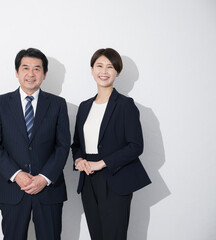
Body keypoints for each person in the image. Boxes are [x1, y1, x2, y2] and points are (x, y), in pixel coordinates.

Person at [0, 48, 70, 240]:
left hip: (49, 189)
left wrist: (44, 177)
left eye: (37, 69)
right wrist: (16, 175)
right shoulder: (0, 103)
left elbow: (62, 145)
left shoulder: (58, 104)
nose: (31, 74)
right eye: (25, 68)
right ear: (17, 72)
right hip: (12, 189)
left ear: (44, 74)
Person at [71, 48, 151, 240]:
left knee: (114, 236)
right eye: (99, 66)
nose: (104, 71)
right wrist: (79, 159)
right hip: (88, 179)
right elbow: (76, 144)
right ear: (92, 70)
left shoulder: (125, 105)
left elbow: (135, 146)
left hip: (115, 177)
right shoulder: (84, 106)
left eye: (110, 67)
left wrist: (102, 163)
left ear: (117, 72)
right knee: (96, 235)